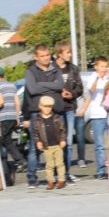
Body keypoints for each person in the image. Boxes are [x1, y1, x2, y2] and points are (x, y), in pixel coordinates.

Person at [24, 44, 65, 188]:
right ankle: (31, 177)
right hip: (37, 113)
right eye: (42, 56)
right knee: (35, 147)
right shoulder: (30, 71)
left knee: (57, 145)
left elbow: (60, 85)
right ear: (36, 57)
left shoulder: (56, 69)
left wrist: (41, 85)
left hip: (55, 114)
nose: (46, 58)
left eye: (47, 55)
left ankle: (57, 177)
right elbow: (32, 89)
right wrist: (50, 85)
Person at [78, 55, 109, 179]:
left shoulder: (108, 78)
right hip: (97, 115)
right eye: (101, 66)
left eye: (105, 66)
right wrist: (98, 78)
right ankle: (100, 171)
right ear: (96, 67)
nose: (104, 69)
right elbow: (91, 91)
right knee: (99, 144)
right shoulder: (93, 77)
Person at [53, 41, 83, 183]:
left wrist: (72, 94)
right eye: (67, 52)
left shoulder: (74, 69)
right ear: (60, 54)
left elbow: (80, 88)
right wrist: (59, 93)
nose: (70, 55)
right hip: (56, 110)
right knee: (58, 142)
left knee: (69, 142)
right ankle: (57, 172)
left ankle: (67, 172)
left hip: (70, 108)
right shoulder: (51, 69)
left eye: (70, 52)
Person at [0, 67, 25, 172]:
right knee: (8, 140)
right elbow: (17, 102)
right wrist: (17, 117)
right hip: (12, 116)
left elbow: (0, 102)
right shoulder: (11, 85)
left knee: (0, 141)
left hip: (3, 117)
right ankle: (20, 161)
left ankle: (3, 165)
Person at [32, 95, 67, 190]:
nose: (47, 109)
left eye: (49, 106)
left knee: (60, 163)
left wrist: (63, 139)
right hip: (47, 146)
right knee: (49, 165)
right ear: (40, 106)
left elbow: (62, 129)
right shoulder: (37, 119)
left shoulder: (56, 117)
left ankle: (61, 180)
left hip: (57, 145)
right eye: (45, 106)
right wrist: (38, 142)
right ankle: (50, 181)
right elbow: (35, 132)